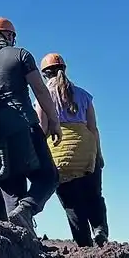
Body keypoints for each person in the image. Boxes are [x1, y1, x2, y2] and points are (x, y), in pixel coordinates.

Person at [0, 18, 61, 235]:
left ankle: (22, 246)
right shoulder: (21, 55)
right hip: (24, 125)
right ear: (9, 35)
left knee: (11, 188)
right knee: (48, 176)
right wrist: (54, 121)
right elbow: (40, 89)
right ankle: (27, 208)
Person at [38, 53, 109, 246]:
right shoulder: (84, 95)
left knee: (71, 203)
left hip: (60, 154)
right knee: (94, 194)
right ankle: (100, 229)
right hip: (87, 151)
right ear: (64, 70)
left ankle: (85, 245)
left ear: (44, 75)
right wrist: (98, 155)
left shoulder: (44, 97)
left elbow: (42, 129)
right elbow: (93, 128)